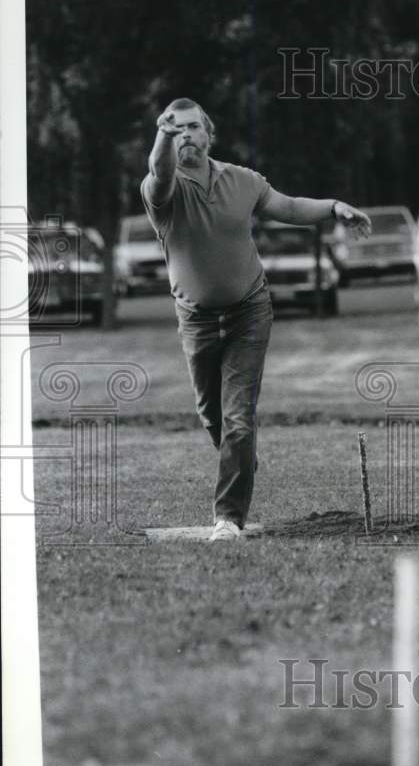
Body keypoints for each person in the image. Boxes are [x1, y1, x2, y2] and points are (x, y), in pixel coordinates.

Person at [141, 97, 371, 541]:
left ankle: (228, 518)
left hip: (250, 309)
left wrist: (333, 207)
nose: (185, 134)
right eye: (176, 128)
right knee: (213, 415)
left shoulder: (242, 180)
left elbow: (287, 206)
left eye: (192, 126)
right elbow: (160, 171)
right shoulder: (160, 190)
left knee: (238, 418)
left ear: (208, 133)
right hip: (196, 319)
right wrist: (162, 137)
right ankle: (241, 457)